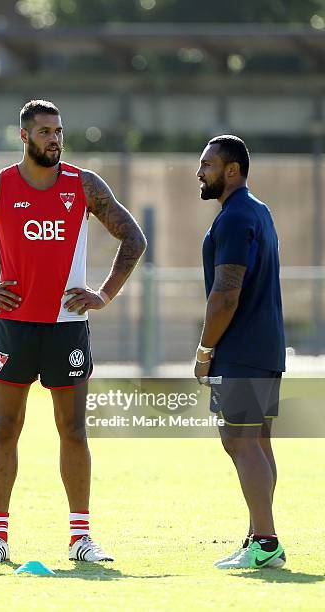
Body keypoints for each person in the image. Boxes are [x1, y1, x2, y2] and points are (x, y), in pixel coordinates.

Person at [0, 99, 146, 563]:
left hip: (68, 327)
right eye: (46, 131)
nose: (55, 138)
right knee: (5, 427)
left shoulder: (83, 185)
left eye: (59, 131)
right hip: (13, 327)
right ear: (24, 136)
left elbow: (134, 237)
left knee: (73, 429)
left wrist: (104, 294)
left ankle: (81, 538)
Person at [194, 135, 286, 569]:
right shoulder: (260, 210)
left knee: (239, 441)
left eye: (208, 165)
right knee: (258, 442)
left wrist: (205, 349)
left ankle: (266, 543)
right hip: (266, 348)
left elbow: (225, 296)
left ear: (232, 170)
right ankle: (258, 537)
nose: (200, 173)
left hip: (241, 349)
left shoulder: (233, 218)